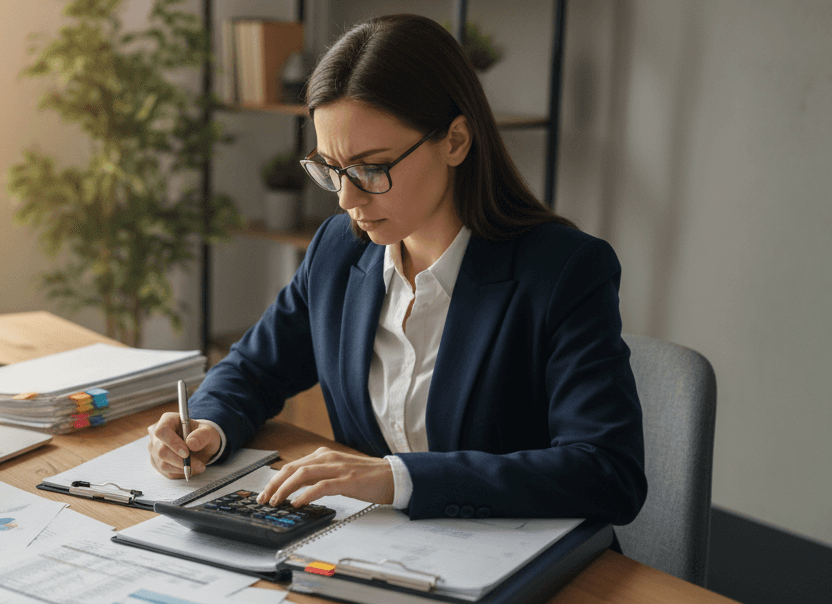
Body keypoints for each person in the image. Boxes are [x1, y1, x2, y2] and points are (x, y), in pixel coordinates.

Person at [148, 14, 647, 525]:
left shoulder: (564, 272)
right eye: (332, 169)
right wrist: (207, 424)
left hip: (514, 558)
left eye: (371, 167)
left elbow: (607, 472)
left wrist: (397, 478)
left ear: (455, 141)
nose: (346, 198)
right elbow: (254, 370)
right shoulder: (339, 252)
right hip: (374, 546)